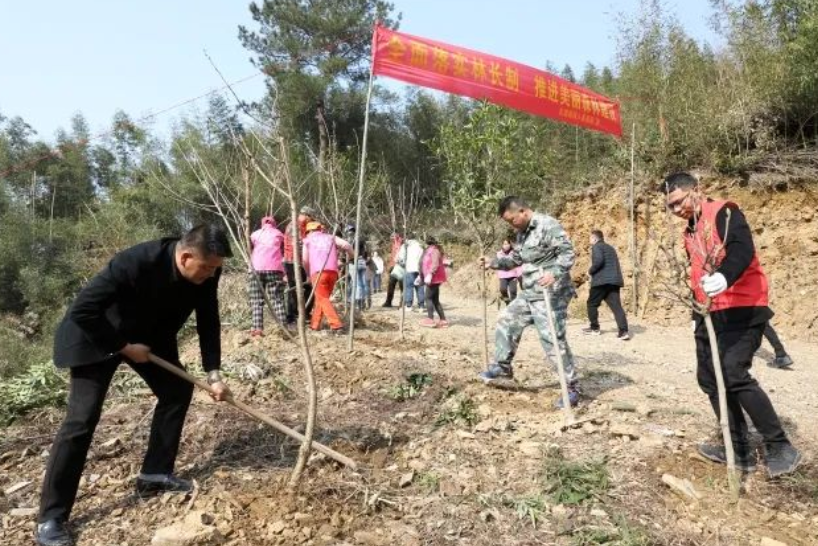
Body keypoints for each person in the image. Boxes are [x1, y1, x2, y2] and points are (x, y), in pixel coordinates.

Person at [35, 225, 233, 546]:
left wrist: (214, 374)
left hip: (151, 335)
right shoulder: (135, 262)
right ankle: (51, 517)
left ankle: (154, 474)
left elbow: (208, 321)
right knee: (81, 420)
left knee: (176, 391)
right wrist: (123, 346)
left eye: (216, 269)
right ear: (185, 257)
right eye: (207, 268)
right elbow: (83, 310)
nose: (211, 275)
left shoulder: (208, 271)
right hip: (97, 336)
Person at [663, 171, 801, 477]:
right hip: (709, 312)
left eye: (678, 202)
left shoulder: (724, 212)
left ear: (695, 190)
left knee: (733, 373)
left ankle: (780, 446)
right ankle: (737, 448)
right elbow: (697, 275)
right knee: (709, 378)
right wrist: (695, 315)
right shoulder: (691, 230)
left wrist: (725, 276)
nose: (675, 210)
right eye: (669, 207)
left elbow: (742, 249)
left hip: (743, 305)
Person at [479, 196, 581, 408]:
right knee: (507, 319)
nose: (511, 224)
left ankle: (571, 387)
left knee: (551, 338)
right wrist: (493, 263)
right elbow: (515, 260)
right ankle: (503, 367)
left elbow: (567, 253)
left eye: (512, 220)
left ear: (523, 211)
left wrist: (554, 272)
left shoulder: (547, 224)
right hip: (530, 292)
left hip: (551, 293)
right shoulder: (521, 234)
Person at [302, 222, 352, 333]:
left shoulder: (308, 240)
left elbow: (305, 260)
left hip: (318, 272)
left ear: (309, 231)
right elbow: (347, 246)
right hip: (333, 272)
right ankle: (314, 325)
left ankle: (336, 325)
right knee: (321, 298)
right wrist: (351, 257)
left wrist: (308, 274)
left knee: (323, 298)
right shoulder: (331, 237)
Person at [583, 229, 630, 340]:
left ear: (594, 238)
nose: (589, 240)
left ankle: (594, 328)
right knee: (617, 307)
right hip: (614, 281)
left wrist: (590, 271)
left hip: (601, 281)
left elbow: (599, 261)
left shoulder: (596, 247)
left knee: (592, 304)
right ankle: (623, 332)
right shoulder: (611, 248)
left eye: (590, 238)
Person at [248, 216, 287, 336]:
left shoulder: (254, 234)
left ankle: (257, 328)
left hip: (256, 269)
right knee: (277, 299)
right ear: (274, 224)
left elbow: (249, 249)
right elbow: (285, 249)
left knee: (256, 300)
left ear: (262, 224)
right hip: (275, 269)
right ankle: (282, 327)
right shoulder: (279, 234)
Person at [283, 206, 316, 326]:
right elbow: (297, 245)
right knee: (300, 288)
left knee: (303, 287)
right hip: (294, 261)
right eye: (311, 218)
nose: (311, 221)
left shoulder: (300, 226)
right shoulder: (295, 226)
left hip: (296, 261)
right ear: (307, 216)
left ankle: (301, 314)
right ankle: (294, 316)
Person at [419, 235, 449, 328]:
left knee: (428, 298)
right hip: (431, 278)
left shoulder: (434, 250)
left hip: (434, 278)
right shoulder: (429, 250)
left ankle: (430, 319)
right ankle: (443, 320)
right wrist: (421, 275)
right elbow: (423, 263)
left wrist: (430, 274)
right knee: (435, 300)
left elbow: (435, 263)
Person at [400, 234, 425, 312]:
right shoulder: (420, 246)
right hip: (420, 269)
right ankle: (421, 306)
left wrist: (402, 263)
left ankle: (409, 305)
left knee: (409, 287)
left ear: (407, 238)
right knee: (420, 287)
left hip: (409, 268)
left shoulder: (405, 246)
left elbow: (401, 258)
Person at [496, 239, 522, 304]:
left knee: (513, 291)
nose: (506, 246)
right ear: (502, 245)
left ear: (510, 245)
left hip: (513, 275)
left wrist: (519, 275)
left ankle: (513, 305)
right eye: (504, 244)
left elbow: (518, 264)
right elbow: (497, 264)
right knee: (503, 289)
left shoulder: (514, 253)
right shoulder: (499, 254)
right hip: (503, 275)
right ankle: (507, 302)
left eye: (507, 244)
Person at [382, 233, 404, 307]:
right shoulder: (394, 244)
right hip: (393, 266)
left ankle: (402, 303)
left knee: (402, 286)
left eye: (392, 237)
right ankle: (388, 302)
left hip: (400, 267)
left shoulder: (401, 244)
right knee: (391, 285)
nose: (391, 239)